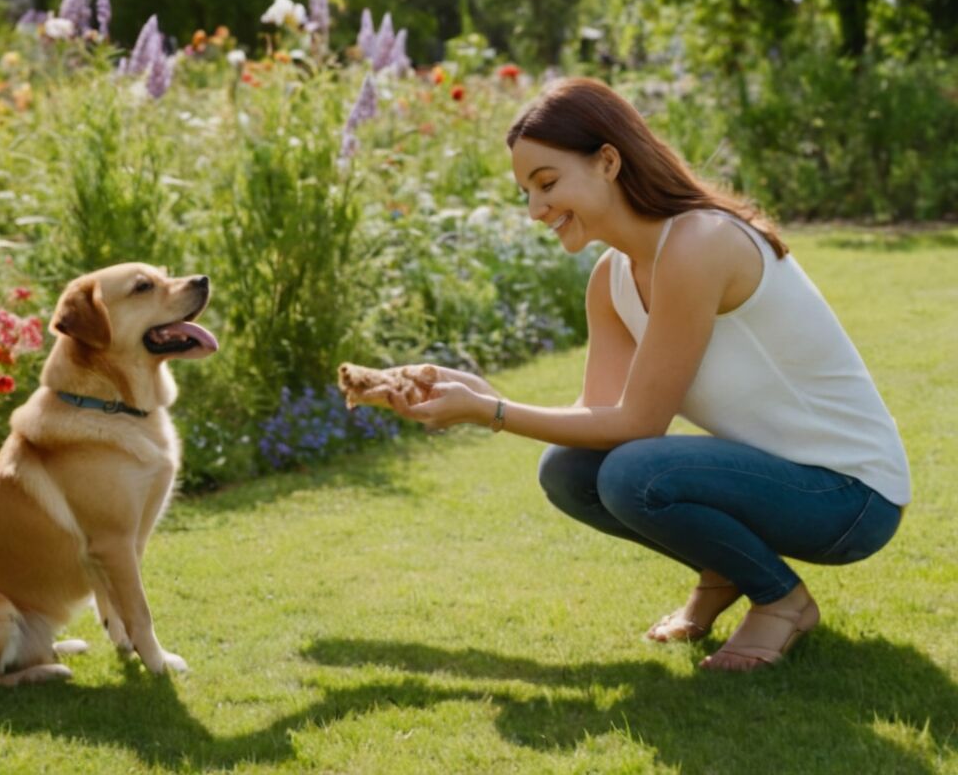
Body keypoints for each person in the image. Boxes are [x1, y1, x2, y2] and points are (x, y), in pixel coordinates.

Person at [389, 76, 910, 672]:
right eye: (526, 192)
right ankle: (724, 573)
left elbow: (637, 425)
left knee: (635, 472)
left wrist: (494, 414)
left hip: (851, 497)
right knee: (569, 471)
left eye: (547, 183)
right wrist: (483, 395)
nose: (536, 210)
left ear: (608, 161)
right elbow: (599, 419)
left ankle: (781, 602)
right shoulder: (611, 281)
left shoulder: (699, 243)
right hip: (779, 482)